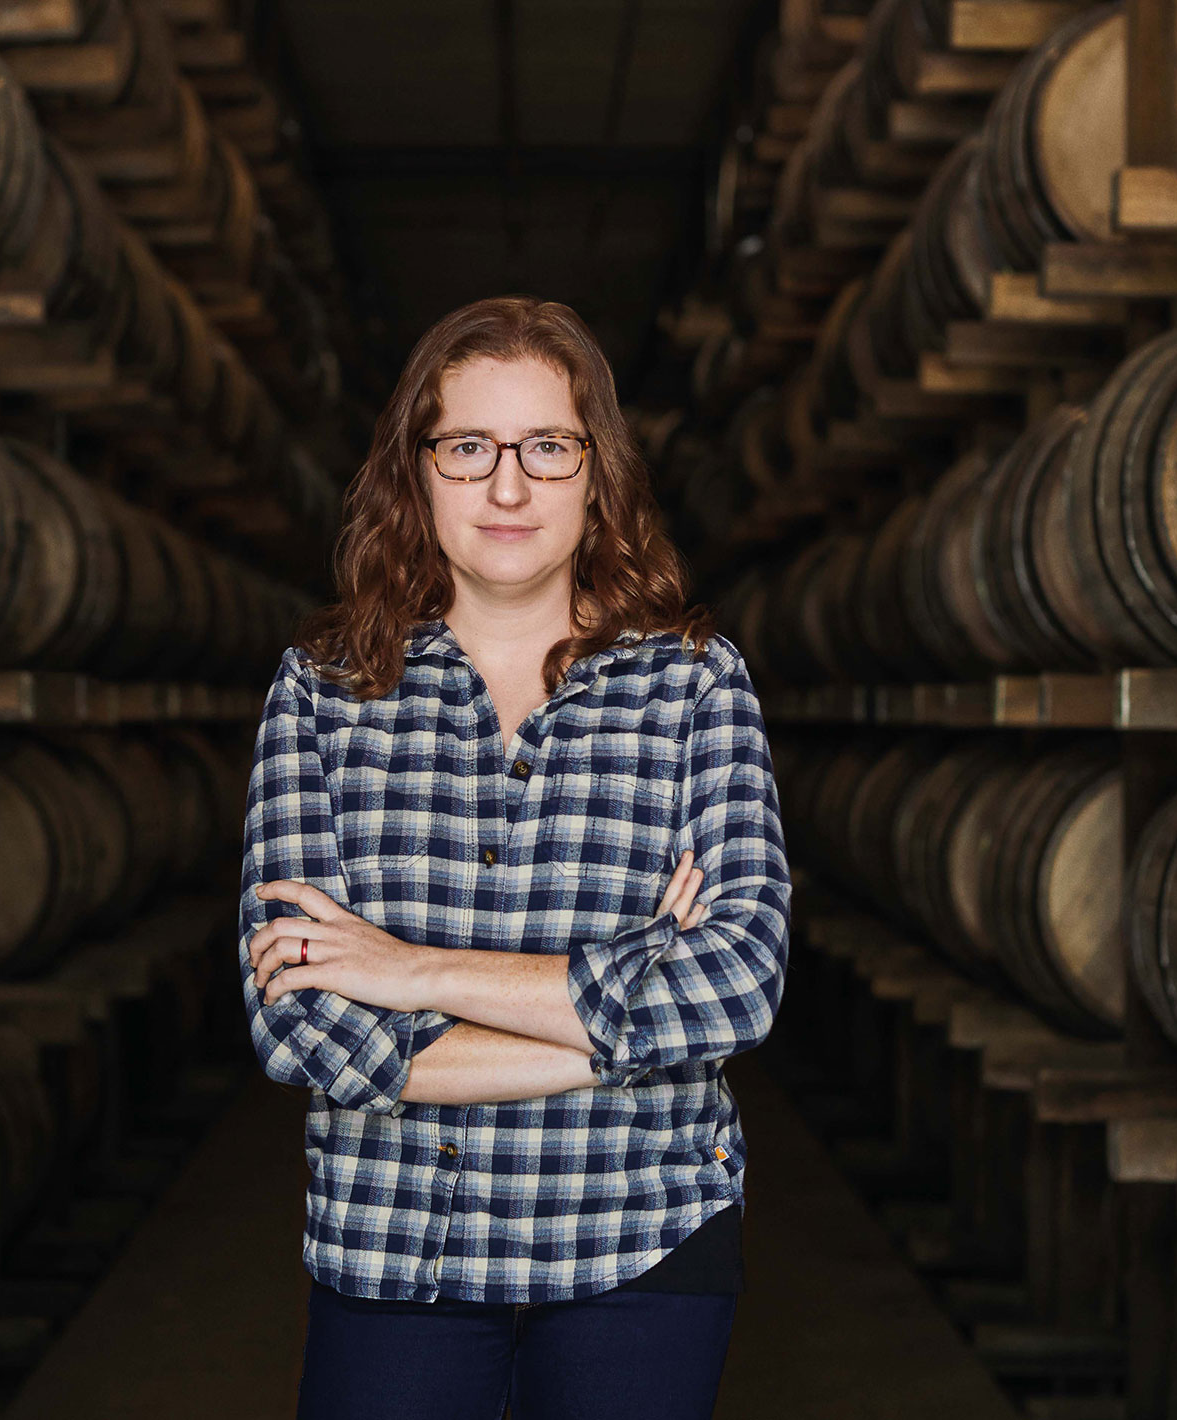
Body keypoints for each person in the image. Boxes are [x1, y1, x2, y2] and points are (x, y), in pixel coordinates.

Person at [236, 295, 792, 1420]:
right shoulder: (322, 694)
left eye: (547, 447)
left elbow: (738, 983)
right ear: (417, 470)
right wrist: (630, 1021)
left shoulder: (694, 686)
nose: (507, 486)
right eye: (468, 447)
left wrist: (409, 969)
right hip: (396, 1243)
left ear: (598, 472)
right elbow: (301, 1021)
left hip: (641, 1237)